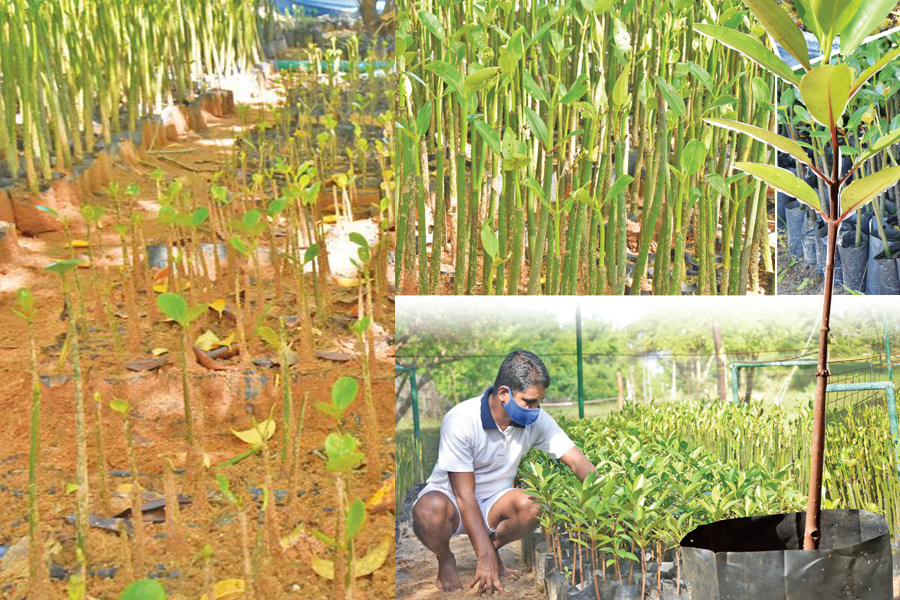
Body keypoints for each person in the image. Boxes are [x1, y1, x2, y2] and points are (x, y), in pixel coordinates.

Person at [411, 349, 597, 596]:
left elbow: (577, 461)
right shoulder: (460, 419)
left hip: (494, 503)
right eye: (528, 401)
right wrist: (484, 557)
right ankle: (445, 559)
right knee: (426, 510)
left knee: (535, 504)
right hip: (452, 503)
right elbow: (464, 496)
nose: (535, 408)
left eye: (539, 401)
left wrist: (608, 498)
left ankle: (492, 546)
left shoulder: (535, 420)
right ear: (503, 393)